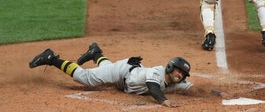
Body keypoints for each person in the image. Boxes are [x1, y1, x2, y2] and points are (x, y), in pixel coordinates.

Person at [29, 42, 230, 107]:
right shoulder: (156, 72)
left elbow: (194, 89)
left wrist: (217, 94)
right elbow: (153, 88)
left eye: (183, 74)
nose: (180, 75)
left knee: (104, 70)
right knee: (86, 78)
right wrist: (164, 102)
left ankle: (96, 53)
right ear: (170, 68)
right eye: (178, 71)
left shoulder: (175, 83)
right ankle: (52, 57)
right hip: (122, 72)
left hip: (123, 79)